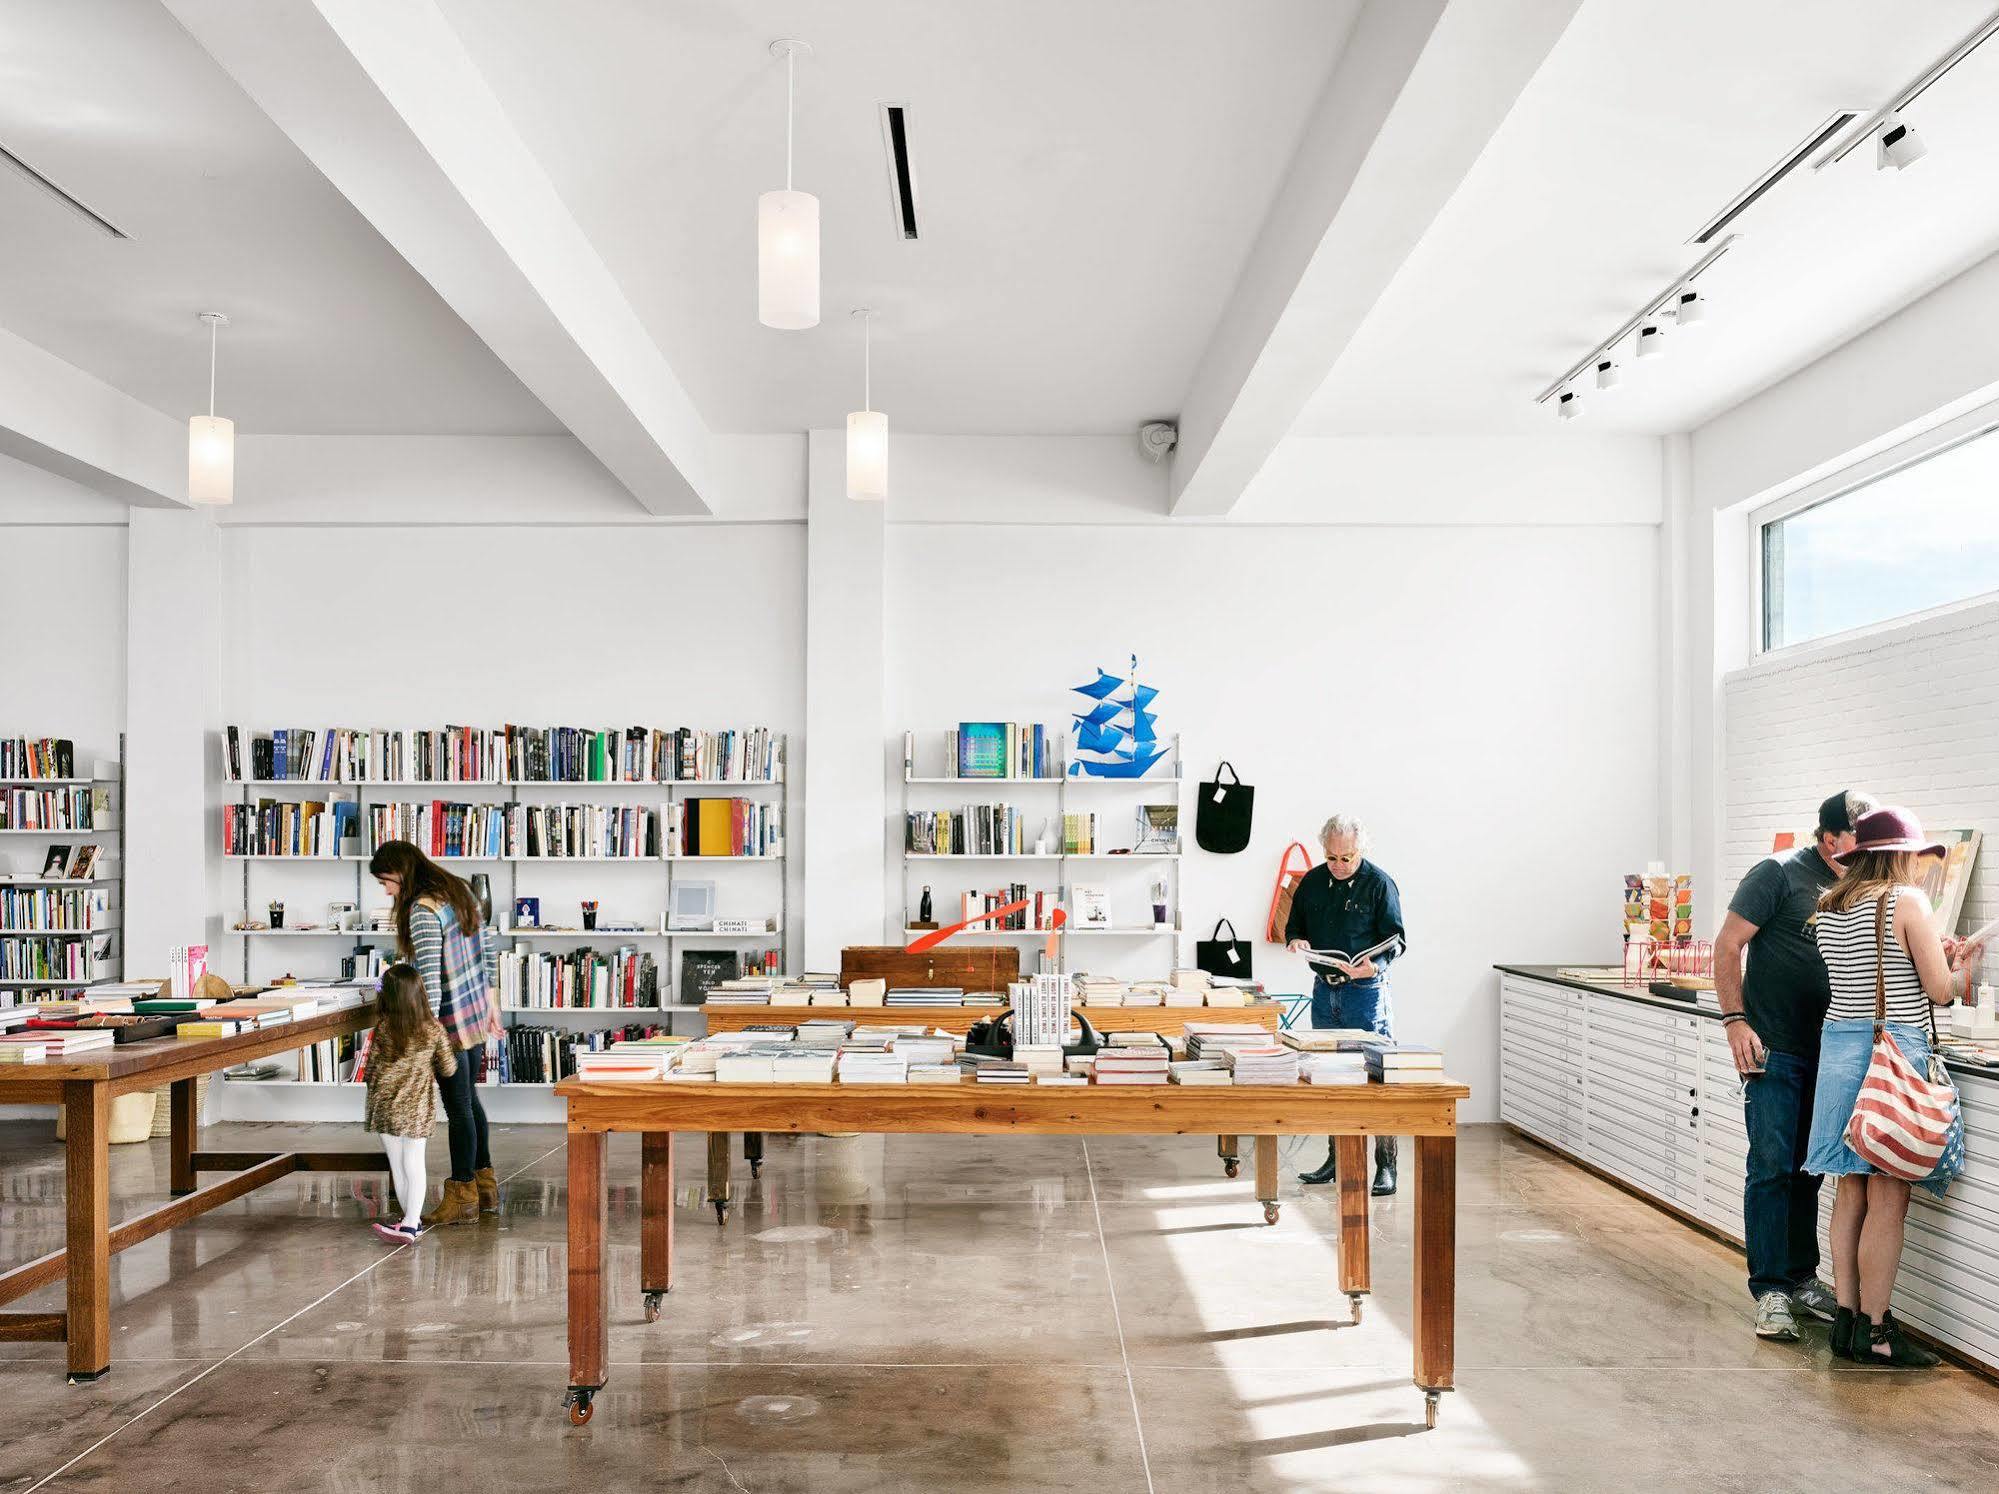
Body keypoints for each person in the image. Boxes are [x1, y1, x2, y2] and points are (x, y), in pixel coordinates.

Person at [1807, 806, 1981, 1367]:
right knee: (1889, 1195)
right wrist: (1962, 966)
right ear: (1902, 855)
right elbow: (1938, 990)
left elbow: (1869, 970)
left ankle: (1848, 1322)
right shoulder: (1907, 902)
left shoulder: (1831, 904)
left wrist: (1933, 952)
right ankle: (1880, 1333)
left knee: (1848, 1192)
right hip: (1890, 1054)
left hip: (1838, 1050)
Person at [1712, 789, 1871, 1343]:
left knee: (1811, 1167)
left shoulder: (1858, 886)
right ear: (1830, 839)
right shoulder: (1776, 875)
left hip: (1831, 1051)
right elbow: (1728, 945)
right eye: (1859, 835)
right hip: (1772, 1047)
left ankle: (1803, 1278)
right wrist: (1735, 1020)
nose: (1869, 845)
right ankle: (1772, 1288)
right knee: (1774, 1164)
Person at [369, 839, 501, 1227]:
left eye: (386, 882)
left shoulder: (423, 911)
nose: (387, 890)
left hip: (447, 1021)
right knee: (470, 1101)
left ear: (402, 872)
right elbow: (488, 950)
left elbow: (428, 980)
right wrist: (492, 1004)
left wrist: (420, 1033)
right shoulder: (458, 891)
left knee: (458, 1107)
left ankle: (461, 1194)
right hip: (474, 1010)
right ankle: (484, 1187)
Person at [1285, 813, 1406, 1195]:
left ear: (1361, 851)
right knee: (1330, 1074)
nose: (1338, 865)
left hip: (1366, 992)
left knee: (1377, 1075)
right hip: (1324, 989)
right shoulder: (1312, 881)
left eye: (1347, 858)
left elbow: (1397, 940)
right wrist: (1296, 941)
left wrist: (1375, 965)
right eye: (1332, 857)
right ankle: (1336, 1159)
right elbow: (1295, 926)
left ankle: (1386, 1166)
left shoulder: (1380, 883)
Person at [363, 963, 459, 1243]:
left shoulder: (383, 1028)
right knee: (414, 1163)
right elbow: (449, 1068)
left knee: (398, 1165)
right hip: (416, 1108)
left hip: (384, 1106)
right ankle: (410, 1223)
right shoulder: (433, 1030)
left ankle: (410, 1221)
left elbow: (370, 1070)